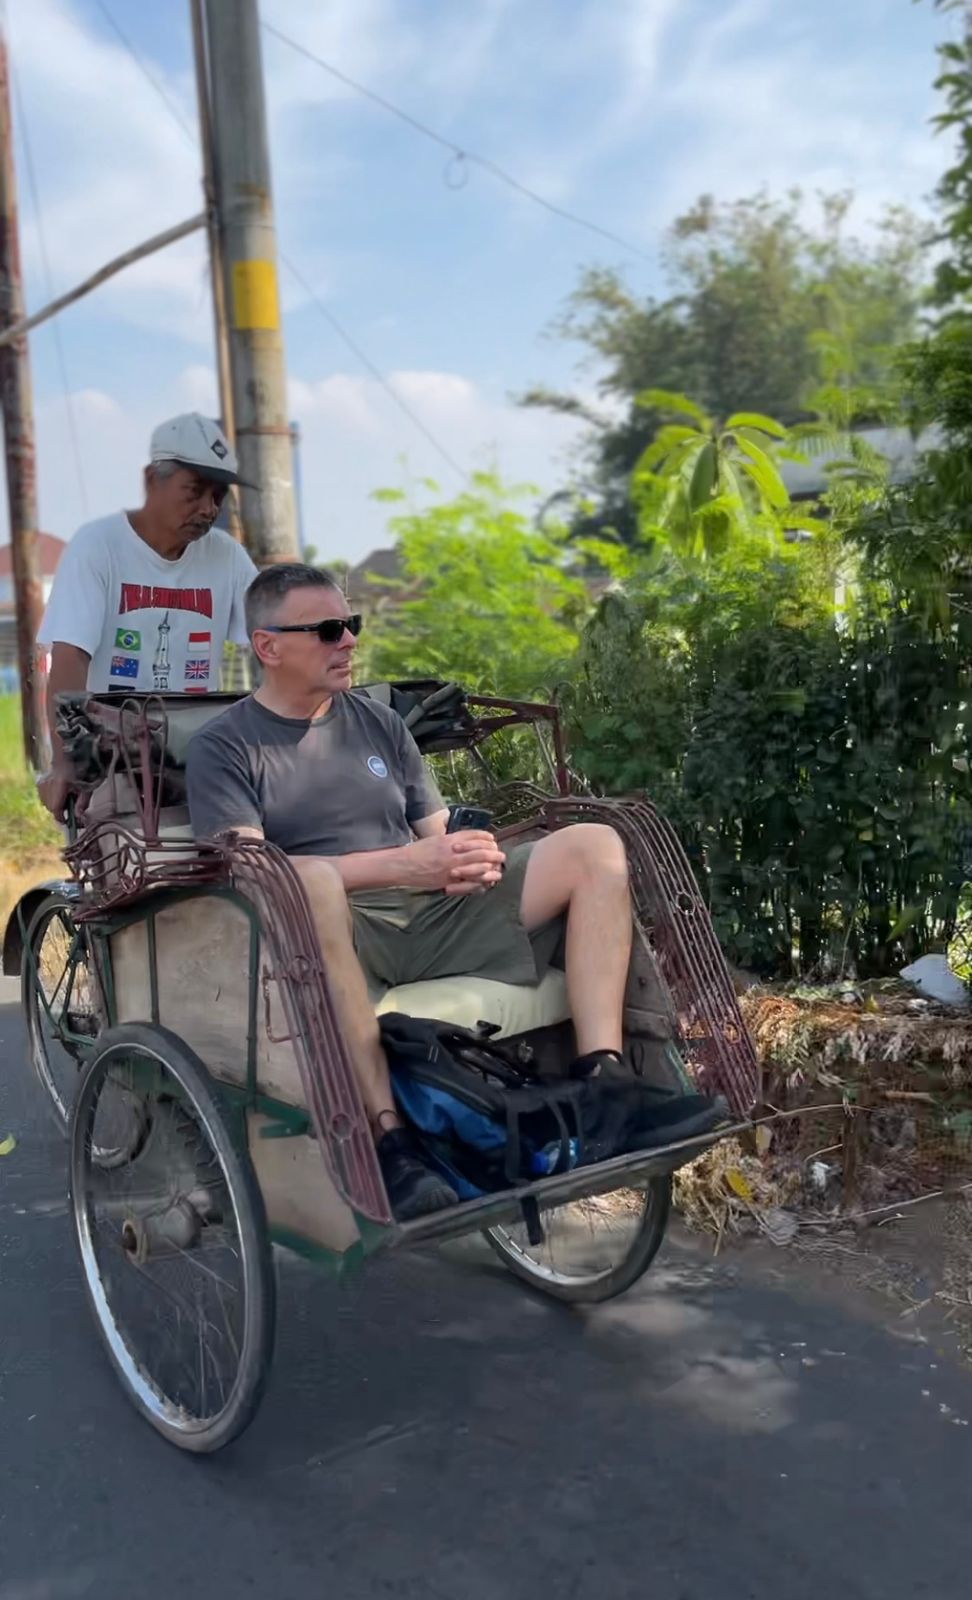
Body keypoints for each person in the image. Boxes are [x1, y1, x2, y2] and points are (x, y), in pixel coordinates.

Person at [185, 563, 633, 1221]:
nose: (349, 643)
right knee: (307, 879)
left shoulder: (378, 726)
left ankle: (607, 1079)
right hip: (333, 933)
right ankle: (389, 1138)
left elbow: (434, 833)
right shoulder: (225, 746)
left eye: (352, 625)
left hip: (431, 914)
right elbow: (256, 873)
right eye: (330, 629)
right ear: (268, 647)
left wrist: (465, 857)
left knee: (594, 845)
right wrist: (405, 864)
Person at [37, 412, 258, 819]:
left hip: (201, 754)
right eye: (194, 492)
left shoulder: (226, 556)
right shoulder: (99, 546)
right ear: (152, 480)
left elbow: (270, 641)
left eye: (219, 496)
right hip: (114, 757)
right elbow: (71, 658)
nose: (209, 509)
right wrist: (66, 762)